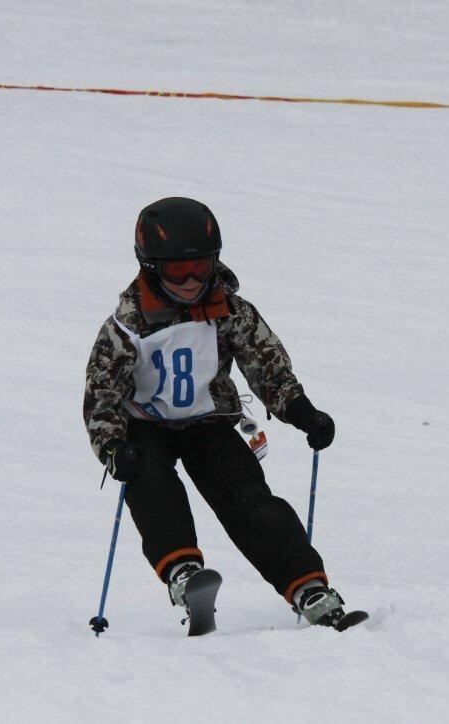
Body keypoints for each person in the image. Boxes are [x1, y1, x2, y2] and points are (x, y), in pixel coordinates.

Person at [83, 196, 360, 629]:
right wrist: (114, 446)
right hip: (145, 428)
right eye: (178, 270)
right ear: (151, 266)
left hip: (208, 424)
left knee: (250, 501)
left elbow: (267, 365)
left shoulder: (230, 312)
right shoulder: (126, 327)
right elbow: (101, 395)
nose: (192, 280)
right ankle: (184, 574)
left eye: (202, 265)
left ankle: (309, 588)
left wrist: (301, 411)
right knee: (151, 485)